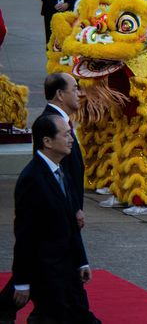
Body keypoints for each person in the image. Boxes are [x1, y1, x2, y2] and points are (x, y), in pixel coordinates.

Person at [0, 115, 100, 324]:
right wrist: (21, 282)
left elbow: (72, 224)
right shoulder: (32, 179)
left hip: (68, 270)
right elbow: (25, 234)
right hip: (46, 273)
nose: (71, 139)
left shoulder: (61, 170)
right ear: (47, 141)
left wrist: (82, 261)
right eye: (66, 135)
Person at [42, 72, 86, 227]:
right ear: (60, 95)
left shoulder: (60, 121)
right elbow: (58, 172)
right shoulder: (50, 123)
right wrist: (74, 208)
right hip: (63, 214)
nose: (80, 94)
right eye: (74, 89)